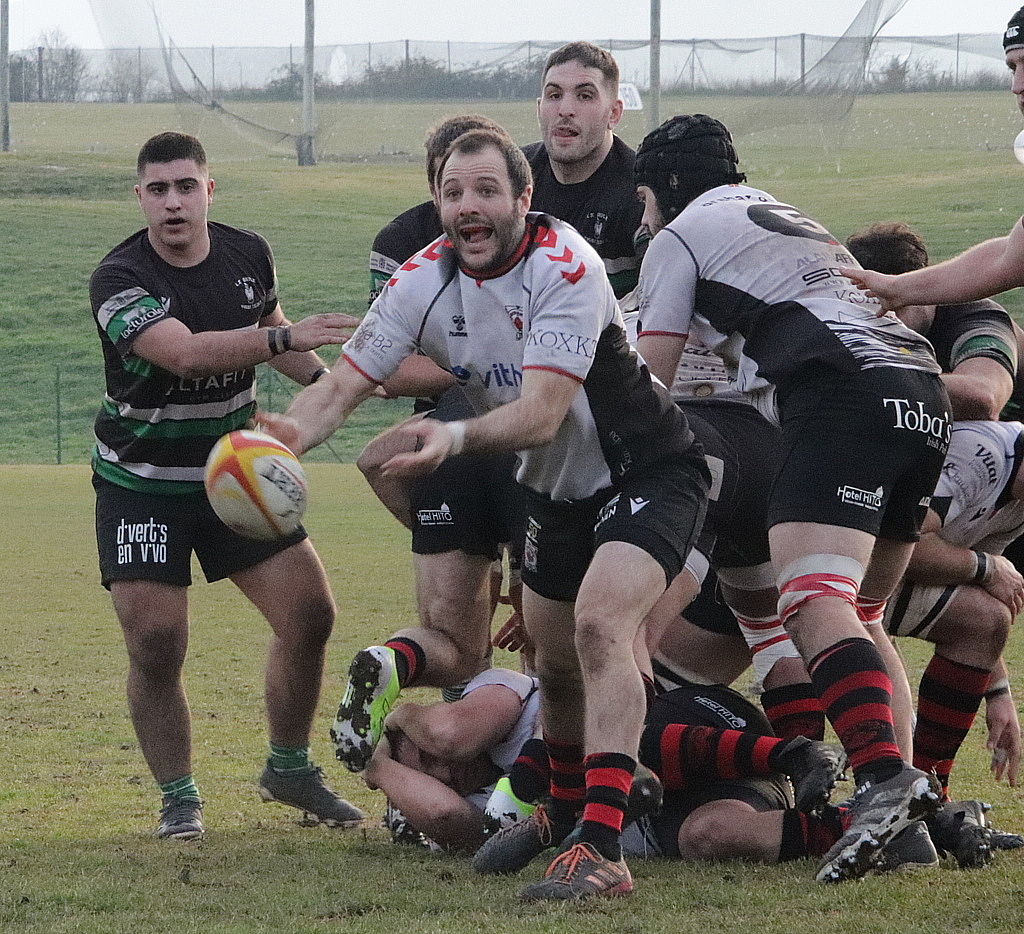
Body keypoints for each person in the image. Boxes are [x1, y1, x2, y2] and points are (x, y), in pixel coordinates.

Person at [262, 127, 711, 901]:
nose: (467, 207)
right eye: (451, 192)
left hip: (652, 468)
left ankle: (600, 850)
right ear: (436, 202)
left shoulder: (562, 262)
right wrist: (284, 439)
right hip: (555, 490)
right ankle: (563, 808)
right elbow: (341, 388)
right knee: (555, 666)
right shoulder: (421, 278)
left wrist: (453, 434)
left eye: (485, 191)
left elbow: (540, 413)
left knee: (603, 625)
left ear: (523, 199)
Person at [632, 114, 951, 883]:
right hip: (921, 392)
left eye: (644, 195)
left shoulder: (677, 238)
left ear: (668, 186)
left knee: (813, 601)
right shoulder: (781, 215)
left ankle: (883, 780)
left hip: (843, 395)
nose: (641, 216)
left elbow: (649, 387)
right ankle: (907, 826)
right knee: (864, 617)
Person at [90, 131, 363, 840]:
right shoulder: (118, 277)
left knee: (310, 614)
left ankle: (289, 767)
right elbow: (183, 354)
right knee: (156, 643)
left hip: (234, 476)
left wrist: (337, 388)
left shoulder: (248, 252)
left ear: (210, 190)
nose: (173, 202)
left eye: (186, 186)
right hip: (142, 482)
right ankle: (179, 798)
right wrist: (286, 339)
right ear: (140, 197)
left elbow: (273, 327)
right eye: (158, 189)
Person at [525, 40, 644, 299]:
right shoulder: (511, 177)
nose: (565, 110)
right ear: (539, 108)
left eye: (584, 95)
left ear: (613, 113)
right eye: (554, 95)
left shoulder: (642, 191)